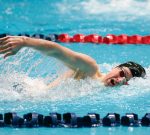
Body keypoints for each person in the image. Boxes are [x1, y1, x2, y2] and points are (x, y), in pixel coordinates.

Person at [0, 36, 146, 88]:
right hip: (24, 91)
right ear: (115, 67)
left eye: (124, 79)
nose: (118, 78)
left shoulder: (97, 89)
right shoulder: (89, 68)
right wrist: (25, 41)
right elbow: (57, 50)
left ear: (127, 85)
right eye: (121, 72)